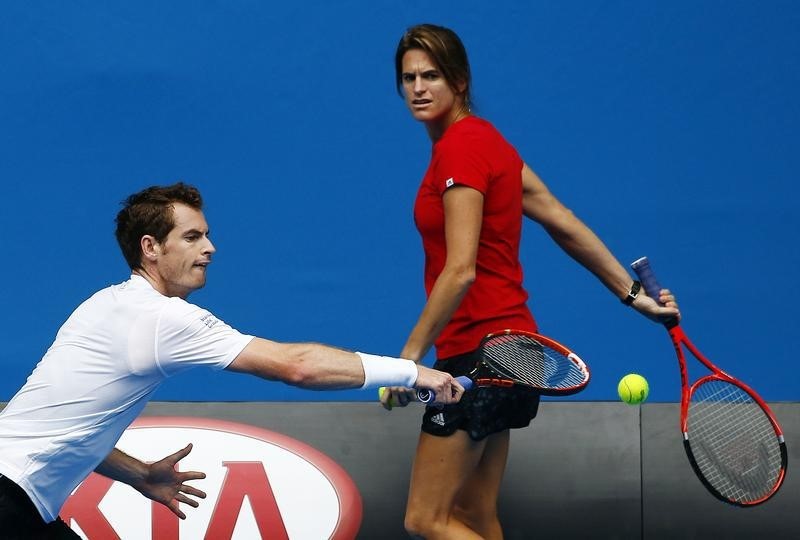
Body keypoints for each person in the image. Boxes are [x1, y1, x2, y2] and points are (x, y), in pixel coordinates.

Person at [0, 182, 465, 539]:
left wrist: (139, 474)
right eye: (193, 236)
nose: (210, 248)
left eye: (208, 234)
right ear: (151, 247)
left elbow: (70, 426)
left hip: (22, 499)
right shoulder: (162, 319)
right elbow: (296, 364)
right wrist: (413, 370)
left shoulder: (105, 304)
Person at [379, 24, 681, 540]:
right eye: (408, 77)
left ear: (460, 80)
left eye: (432, 75)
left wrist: (407, 362)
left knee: (425, 518)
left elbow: (460, 269)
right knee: (475, 517)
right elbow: (561, 220)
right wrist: (634, 297)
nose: (418, 88)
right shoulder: (490, 142)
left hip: (481, 354)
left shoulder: (462, 146)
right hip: (518, 354)